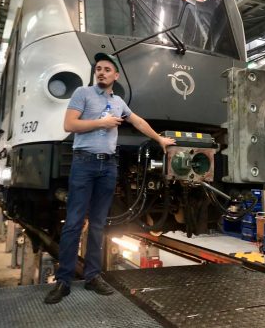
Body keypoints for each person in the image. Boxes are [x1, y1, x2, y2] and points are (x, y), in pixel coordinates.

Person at [44, 52, 176, 304]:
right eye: (99, 69)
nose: (102, 72)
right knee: (73, 223)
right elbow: (69, 125)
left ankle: (93, 276)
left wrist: (159, 139)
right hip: (84, 163)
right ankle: (63, 281)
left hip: (108, 166)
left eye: (107, 69)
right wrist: (101, 123)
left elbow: (137, 121)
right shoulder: (83, 93)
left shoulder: (118, 102)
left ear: (116, 76)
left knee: (98, 224)